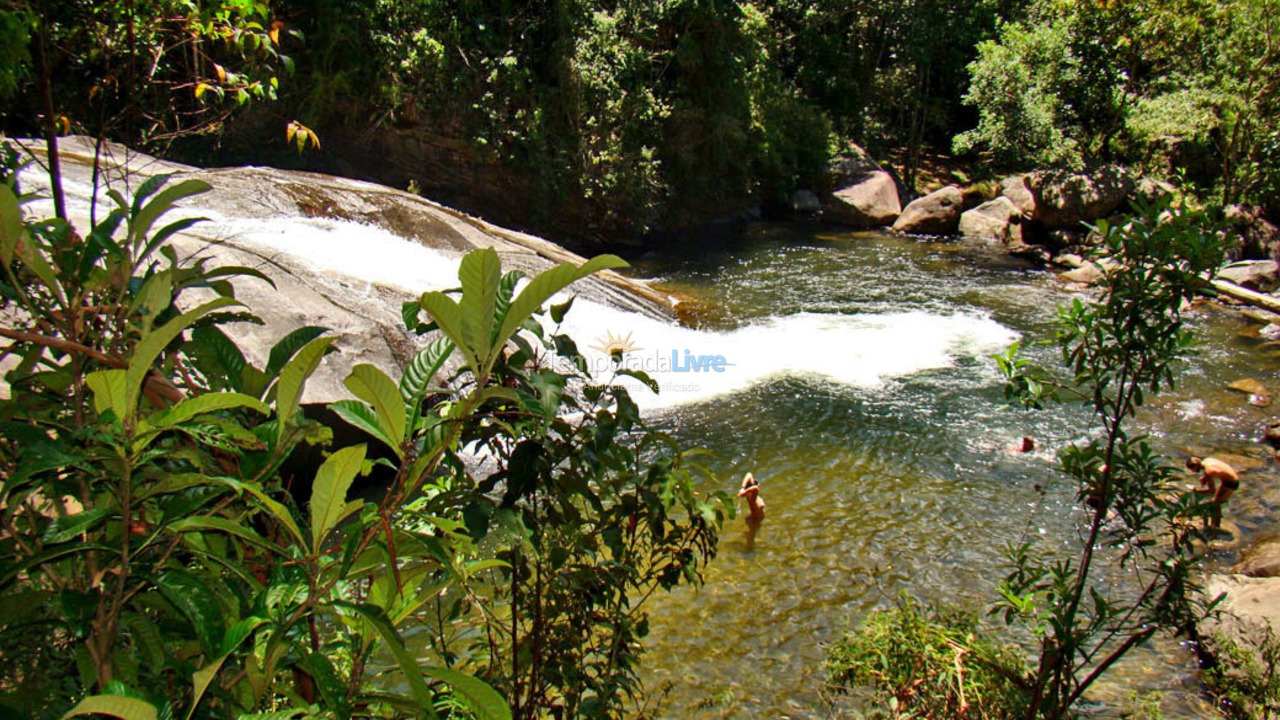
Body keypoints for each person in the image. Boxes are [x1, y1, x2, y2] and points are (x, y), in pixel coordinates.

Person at [1187, 456, 1239, 529]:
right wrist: (1205, 478)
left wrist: (1196, 492)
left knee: (1216, 504)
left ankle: (1216, 526)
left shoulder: (1209, 471)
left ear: (1195, 466)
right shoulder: (1207, 460)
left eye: (1192, 469)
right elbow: (1217, 470)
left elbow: (1212, 491)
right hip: (1229, 479)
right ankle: (1214, 524)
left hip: (1232, 483)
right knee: (1215, 501)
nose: (1193, 472)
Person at [738, 472, 765, 550]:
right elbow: (755, 489)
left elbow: (749, 474)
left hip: (756, 516)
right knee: (751, 537)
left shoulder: (753, 495)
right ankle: (750, 548)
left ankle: (753, 540)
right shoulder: (752, 498)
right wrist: (745, 492)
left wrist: (743, 488)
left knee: (753, 532)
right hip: (755, 519)